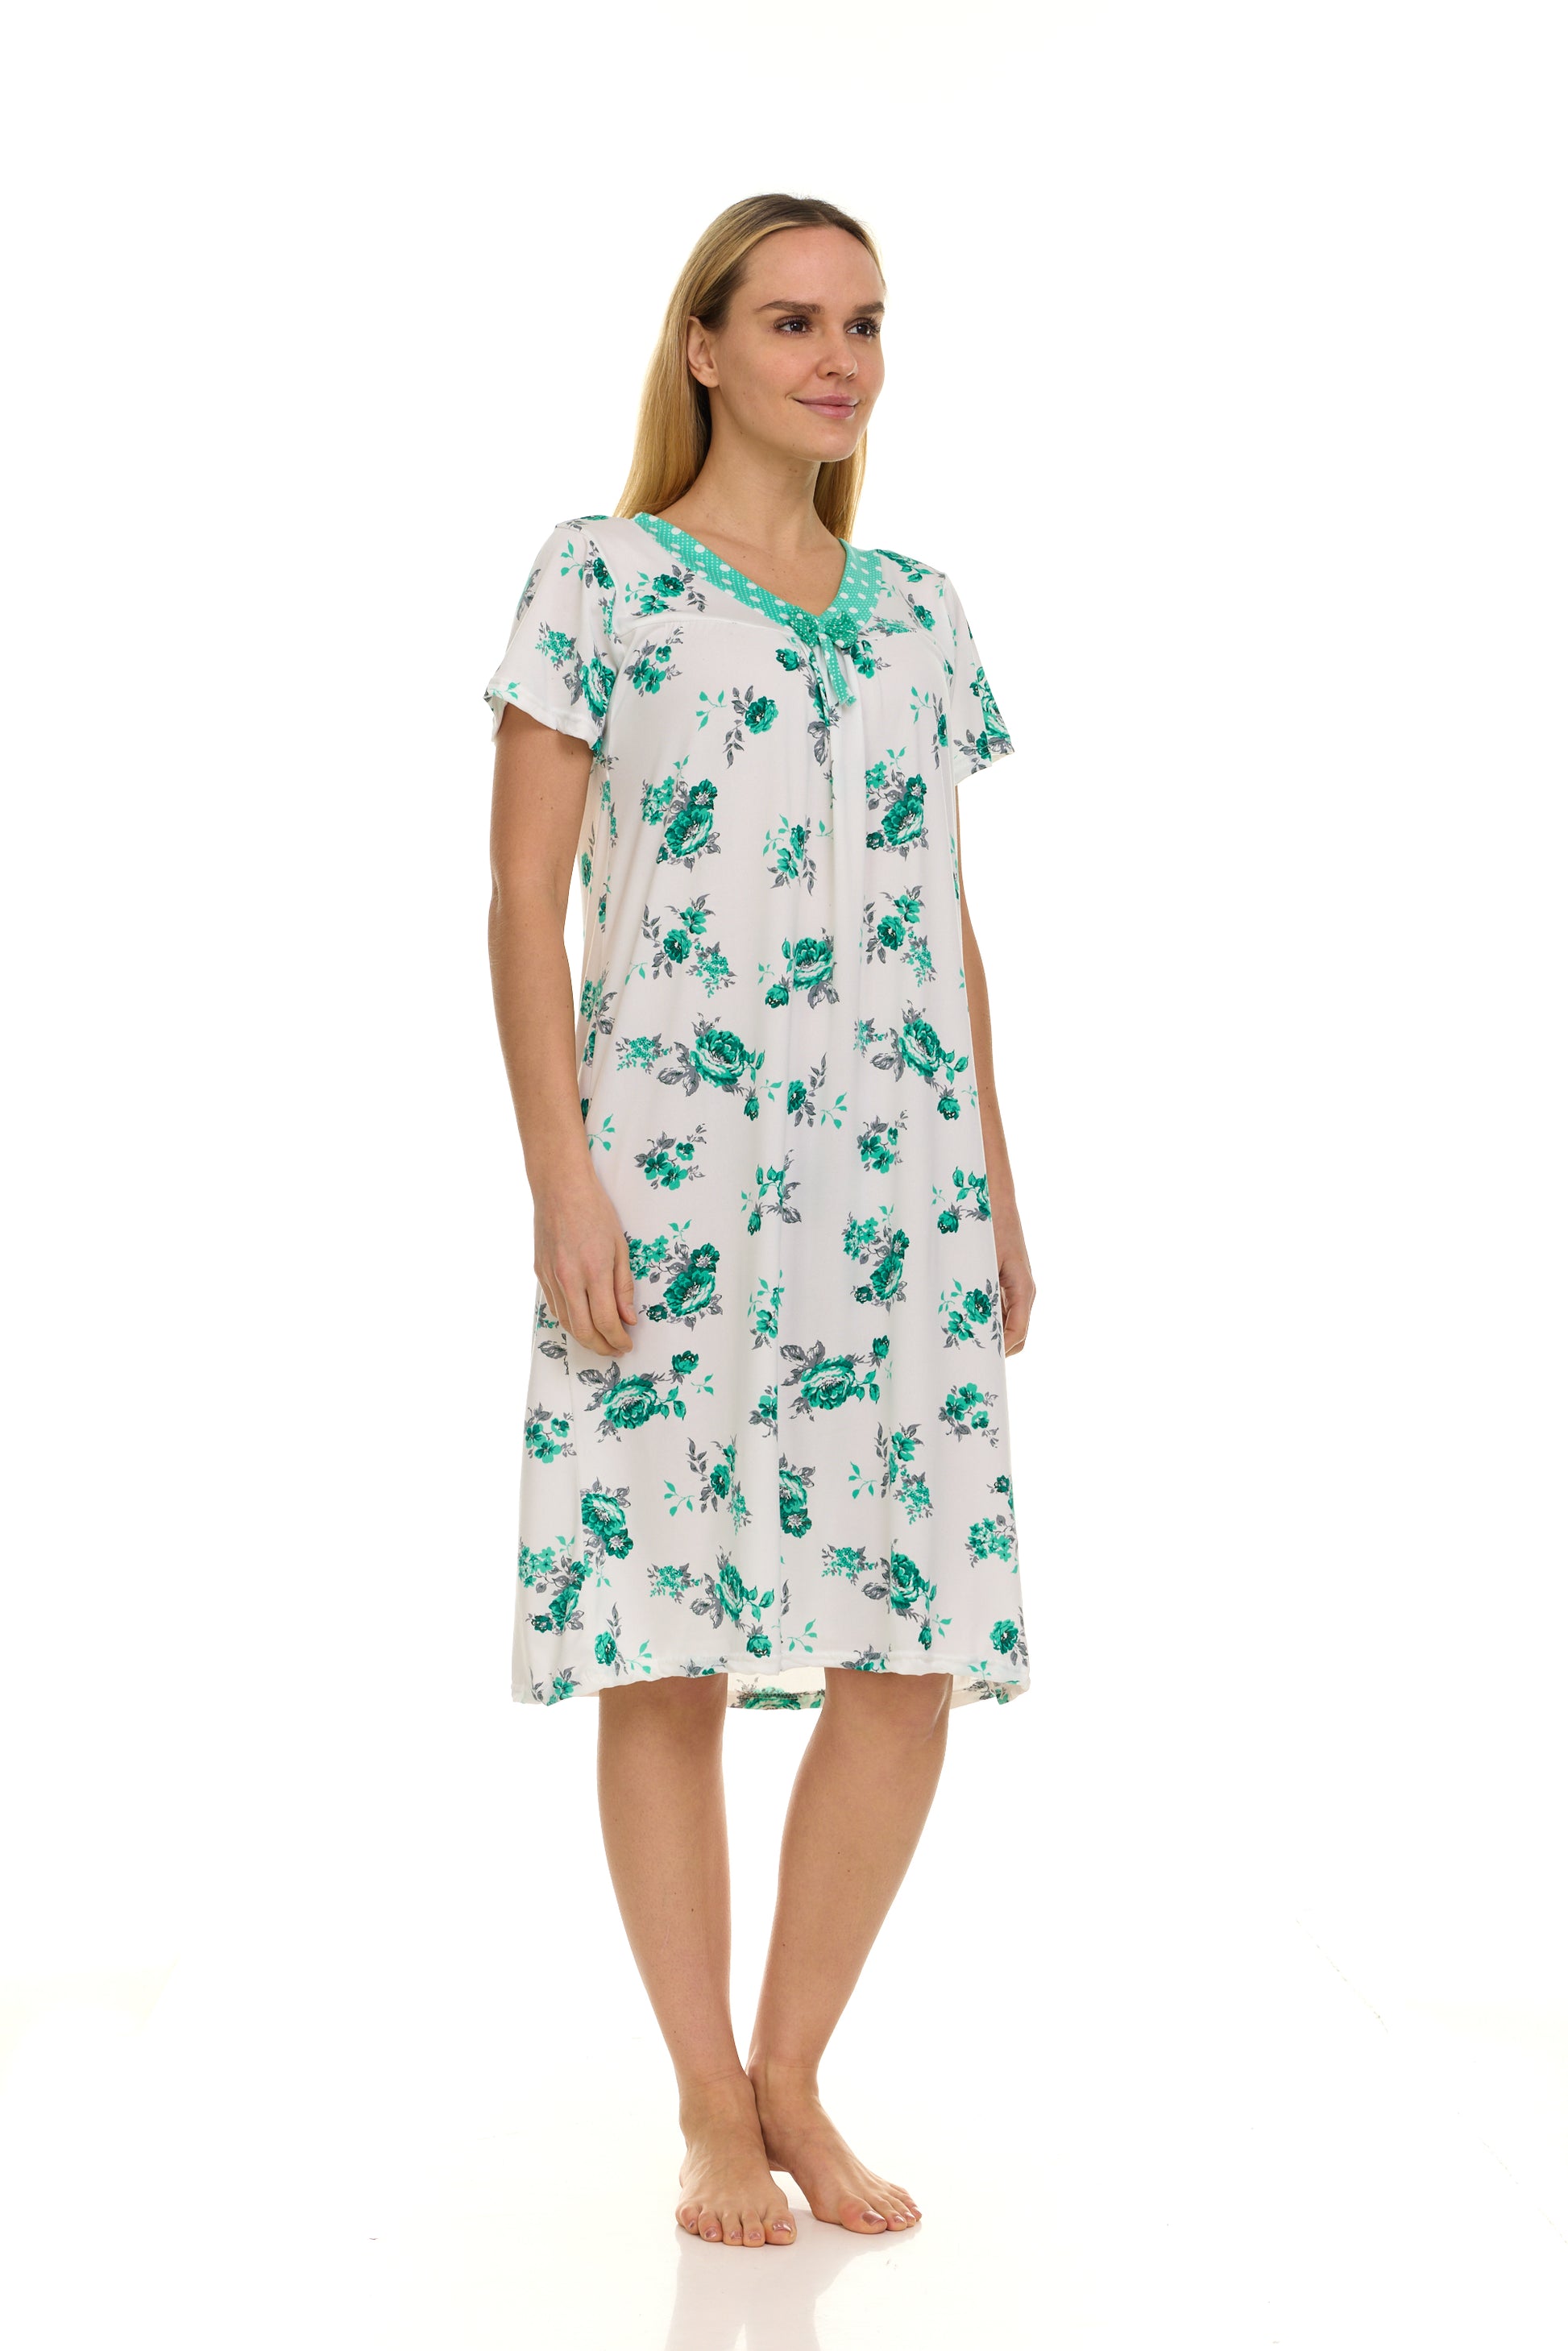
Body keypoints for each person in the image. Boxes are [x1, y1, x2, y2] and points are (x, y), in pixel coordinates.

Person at [484, 193, 1035, 2250]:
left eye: (865, 323)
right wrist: (562, 1175)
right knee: (671, 1642)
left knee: (910, 1648)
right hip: (673, 1185)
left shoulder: (920, 614)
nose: (838, 357)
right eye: (793, 319)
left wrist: (998, 1186)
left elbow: (945, 924)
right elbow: (518, 903)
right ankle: (706, 2098)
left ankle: (795, 2066)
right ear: (703, 346)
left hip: (901, 1187)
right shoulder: (600, 578)